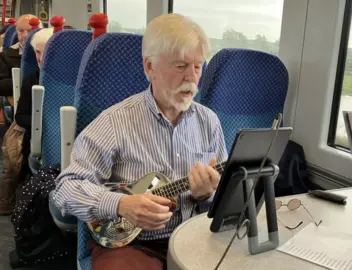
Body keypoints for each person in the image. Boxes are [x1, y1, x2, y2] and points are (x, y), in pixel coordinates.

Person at [53, 13, 227, 269]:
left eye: (198, 66)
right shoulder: (114, 121)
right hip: (133, 245)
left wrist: (207, 196)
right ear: (150, 67)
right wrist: (121, 204)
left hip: (196, 238)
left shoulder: (209, 121)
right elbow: (65, 189)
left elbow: (224, 197)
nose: (192, 77)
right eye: (180, 66)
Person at [0, 28, 53, 215]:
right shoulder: (32, 79)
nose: (40, 58)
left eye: (45, 52)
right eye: (37, 52)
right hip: (35, 140)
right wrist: (44, 125)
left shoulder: (75, 82)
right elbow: (20, 116)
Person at [0, 14, 40, 97]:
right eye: (21, 31)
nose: (25, 35)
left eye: (30, 30)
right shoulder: (6, 55)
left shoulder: (49, 55)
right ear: (16, 31)